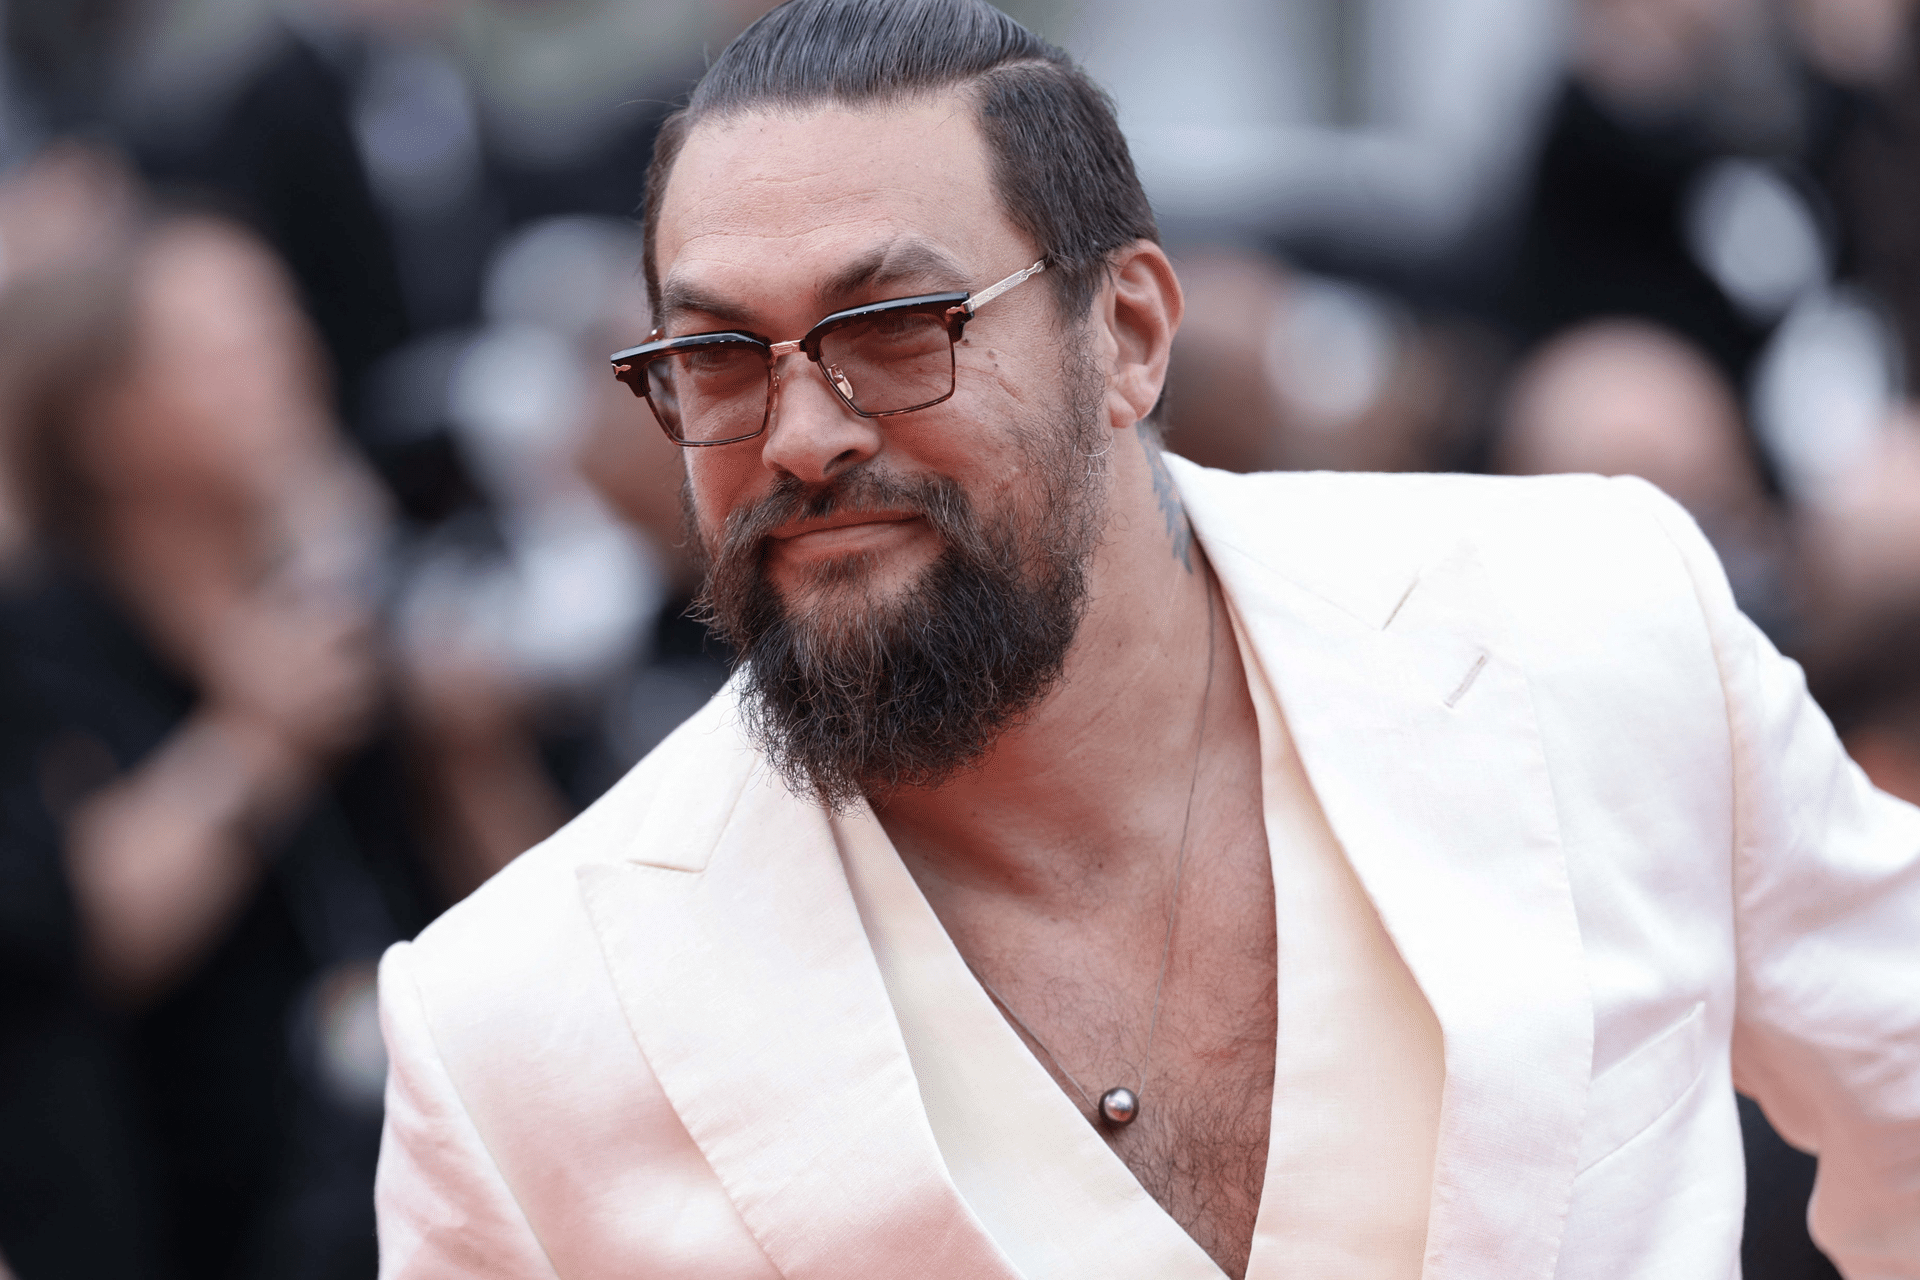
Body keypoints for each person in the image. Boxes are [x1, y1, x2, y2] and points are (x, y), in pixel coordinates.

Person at [372, 3, 1920, 1278]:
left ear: (1126, 335)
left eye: (897, 328)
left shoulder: (1591, 617)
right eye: (717, 359)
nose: (796, 434)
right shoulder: (511, 1033)